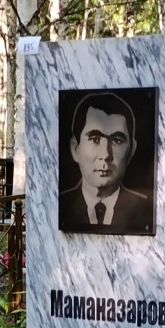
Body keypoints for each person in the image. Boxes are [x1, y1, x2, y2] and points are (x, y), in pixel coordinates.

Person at [61, 92, 152, 232]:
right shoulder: (60, 205)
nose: (106, 155)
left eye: (117, 141)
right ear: (75, 149)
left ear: (131, 151)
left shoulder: (146, 210)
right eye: (95, 139)